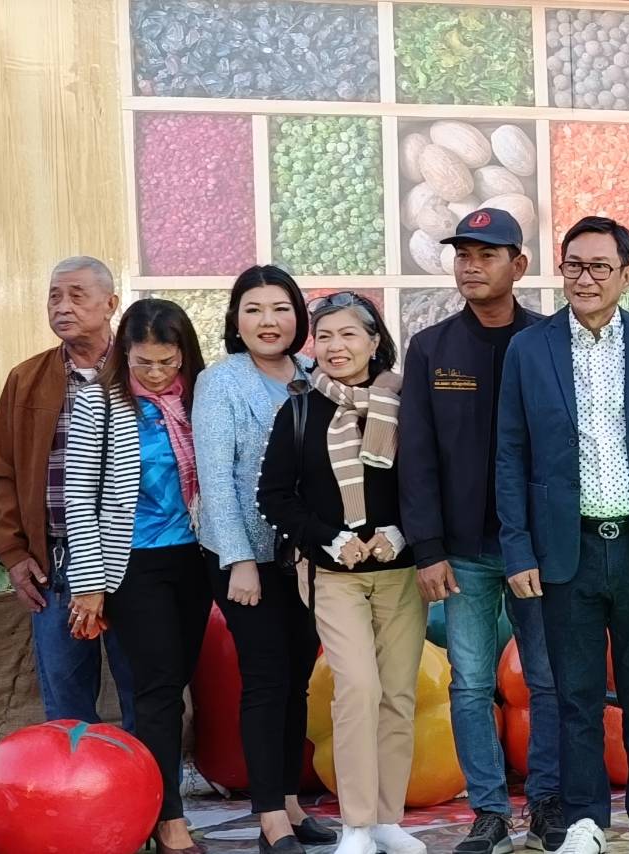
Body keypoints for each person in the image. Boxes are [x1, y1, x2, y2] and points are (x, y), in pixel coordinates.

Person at [495, 217, 629, 854]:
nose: (585, 278)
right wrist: (517, 548)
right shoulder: (530, 349)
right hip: (563, 550)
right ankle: (584, 820)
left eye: (600, 266)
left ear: (627, 274)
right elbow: (510, 454)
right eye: (574, 265)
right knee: (574, 695)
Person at [399, 208, 560, 854]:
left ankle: (546, 802)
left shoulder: (549, 341)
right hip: (462, 552)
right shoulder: (432, 348)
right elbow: (417, 456)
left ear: (518, 265)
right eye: (463, 254)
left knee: (546, 681)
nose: (471, 266)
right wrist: (428, 549)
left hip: (538, 552)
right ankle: (489, 810)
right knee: (469, 684)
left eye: (487, 254)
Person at [258, 292, 424, 854]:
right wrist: (328, 537)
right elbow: (274, 496)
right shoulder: (301, 410)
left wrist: (401, 531)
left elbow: (429, 479)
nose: (335, 347)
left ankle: (386, 820)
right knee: (357, 689)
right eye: (324, 336)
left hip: (402, 573)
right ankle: (355, 825)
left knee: (398, 695)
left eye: (348, 334)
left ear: (374, 341)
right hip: (333, 575)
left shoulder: (408, 404)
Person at [193, 265, 337, 853]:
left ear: (298, 316)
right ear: (236, 319)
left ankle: (292, 802)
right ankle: (269, 818)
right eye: (253, 309)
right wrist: (239, 559)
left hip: (303, 555)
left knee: (298, 678)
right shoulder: (220, 382)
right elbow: (215, 478)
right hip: (244, 555)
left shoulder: (314, 374)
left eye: (280, 308)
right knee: (265, 678)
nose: (268, 321)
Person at [62, 298, 211, 853]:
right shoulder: (99, 401)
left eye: (166, 362)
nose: (154, 373)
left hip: (194, 558)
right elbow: (80, 495)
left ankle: (155, 802)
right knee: (157, 688)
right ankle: (167, 817)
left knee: (178, 681)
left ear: (184, 355)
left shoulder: (198, 400)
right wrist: (89, 584)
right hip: (133, 562)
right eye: (142, 362)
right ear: (123, 354)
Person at [0, 256, 135, 729]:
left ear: (110, 303)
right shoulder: (27, 378)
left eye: (76, 295)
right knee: (66, 698)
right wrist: (13, 554)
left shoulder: (140, 372)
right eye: (54, 296)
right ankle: (75, 778)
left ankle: (154, 779)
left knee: (145, 690)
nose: (62, 307)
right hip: (55, 559)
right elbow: (2, 472)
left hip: (136, 555)